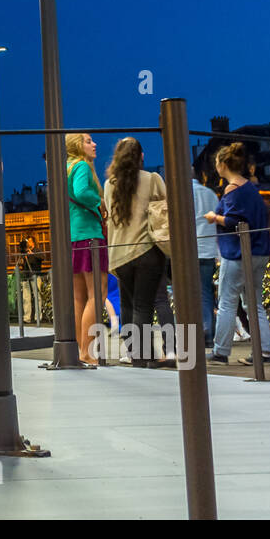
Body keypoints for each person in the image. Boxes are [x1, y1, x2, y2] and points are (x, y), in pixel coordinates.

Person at [103, 137, 173, 369]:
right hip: (147, 251)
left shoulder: (109, 184)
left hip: (119, 254)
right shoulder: (152, 179)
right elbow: (166, 209)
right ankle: (143, 357)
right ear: (141, 156)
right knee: (144, 305)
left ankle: (136, 352)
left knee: (128, 304)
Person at [203, 143, 270, 365]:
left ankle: (221, 351)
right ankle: (265, 352)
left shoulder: (231, 189)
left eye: (216, 163)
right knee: (254, 303)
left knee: (226, 301)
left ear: (223, 165)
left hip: (237, 253)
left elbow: (235, 221)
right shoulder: (252, 188)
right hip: (259, 252)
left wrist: (215, 217)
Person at [66, 132, 106, 366]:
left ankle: (81, 350)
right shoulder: (81, 165)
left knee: (78, 297)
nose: (94, 144)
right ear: (77, 145)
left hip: (72, 236)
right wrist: (99, 202)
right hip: (89, 235)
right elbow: (82, 192)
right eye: (88, 141)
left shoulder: (66, 167)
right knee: (96, 296)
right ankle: (88, 353)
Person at [192, 170, 221, 345]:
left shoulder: (181, 193)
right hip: (209, 249)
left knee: (186, 293)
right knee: (206, 293)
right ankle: (209, 334)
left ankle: (195, 333)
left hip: (189, 249)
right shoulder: (210, 194)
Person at [16, 236, 43, 323]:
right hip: (26, 276)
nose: (28, 243)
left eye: (30, 241)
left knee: (37, 297)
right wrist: (22, 259)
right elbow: (21, 264)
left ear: (33, 242)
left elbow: (42, 257)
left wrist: (32, 254)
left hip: (35, 275)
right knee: (26, 298)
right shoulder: (24, 252)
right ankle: (27, 318)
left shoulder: (37, 250)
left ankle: (37, 317)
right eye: (27, 242)